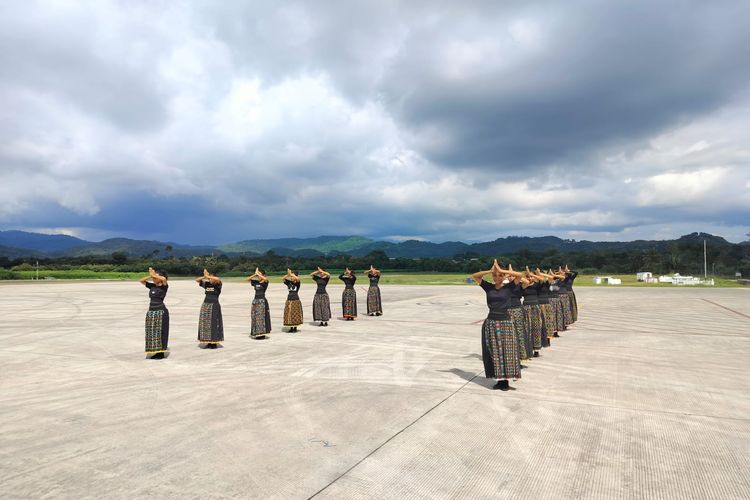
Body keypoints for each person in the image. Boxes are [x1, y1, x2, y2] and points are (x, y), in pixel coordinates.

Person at [472, 259, 521, 391]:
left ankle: (505, 381)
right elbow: (475, 276)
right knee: (494, 352)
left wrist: (501, 270)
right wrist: (491, 270)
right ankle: (499, 380)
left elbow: (519, 275)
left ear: (504, 276)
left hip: (505, 322)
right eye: (495, 275)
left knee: (507, 352)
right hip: (491, 322)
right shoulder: (488, 287)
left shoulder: (509, 287)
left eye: (499, 275)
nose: (497, 277)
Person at [504, 264, 532, 363]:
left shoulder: (520, 285)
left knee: (519, 333)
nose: (511, 277)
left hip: (517, 310)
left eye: (512, 275)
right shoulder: (504, 286)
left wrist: (514, 275)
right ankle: (510, 357)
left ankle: (521, 357)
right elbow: (495, 282)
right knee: (508, 335)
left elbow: (527, 282)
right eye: (509, 275)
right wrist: (506, 275)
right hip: (506, 311)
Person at [139, 267, 169, 359]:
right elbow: (141, 280)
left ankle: (160, 353)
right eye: (153, 278)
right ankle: (154, 351)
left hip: (160, 311)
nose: (154, 279)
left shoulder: (164, 286)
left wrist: (154, 275)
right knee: (152, 332)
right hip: (151, 311)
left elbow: (164, 279)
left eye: (156, 277)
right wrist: (151, 275)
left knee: (160, 332)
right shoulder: (152, 286)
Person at [196, 268, 224, 349]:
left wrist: (208, 276)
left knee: (214, 324)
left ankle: (214, 342)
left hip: (214, 305)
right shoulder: (207, 284)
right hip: (206, 305)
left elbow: (218, 279)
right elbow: (197, 280)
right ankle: (207, 341)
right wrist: (204, 276)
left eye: (211, 278)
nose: (209, 279)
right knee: (205, 324)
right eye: (209, 278)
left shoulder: (218, 285)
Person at [522, 267, 545, 357]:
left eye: (531, 276)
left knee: (536, 328)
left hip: (535, 307)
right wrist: (526, 277)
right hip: (525, 307)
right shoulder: (523, 286)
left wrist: (532, 275)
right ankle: (528, 348)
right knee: (527, 328)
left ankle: (536, 349)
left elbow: (542, 279)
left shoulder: (536, 285)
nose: (530, 278)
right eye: (528, 276)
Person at [247, 267, 271, 339]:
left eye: (260, 274)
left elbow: (266, 279)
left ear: (263, 275)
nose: (258, 276)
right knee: (255, 318)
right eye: (258, 275)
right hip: (255, 301)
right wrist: (255, 274)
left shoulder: (265, 282)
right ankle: (257, 333)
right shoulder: (255, 282)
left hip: (262, 301)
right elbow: (247, 279)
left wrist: (259, 274)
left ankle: (262, 334)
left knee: (262, 318)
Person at [536, 268, 554, 346]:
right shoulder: (535, 284)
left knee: (548, 322)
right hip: (537, 304)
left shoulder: (547, 283)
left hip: (546, 304)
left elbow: (551, 277)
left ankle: (548, 339)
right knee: (539, 323)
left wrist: (541, 274)